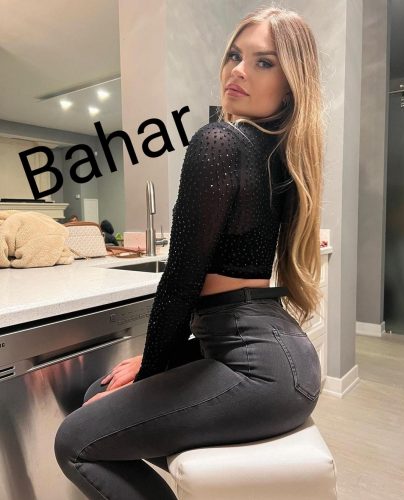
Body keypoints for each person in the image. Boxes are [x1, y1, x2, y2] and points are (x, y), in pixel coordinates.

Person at [54, 5, 324, 499]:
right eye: (234, 56)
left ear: (290, 85)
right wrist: (154, 365)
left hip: (257, 367)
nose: (238, 70)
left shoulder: (219, 140)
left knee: (74, 442)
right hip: (278, 359)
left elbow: (180, 282)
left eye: (263, 62)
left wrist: (152, 371)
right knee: (100, 392)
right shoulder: (280, 154)